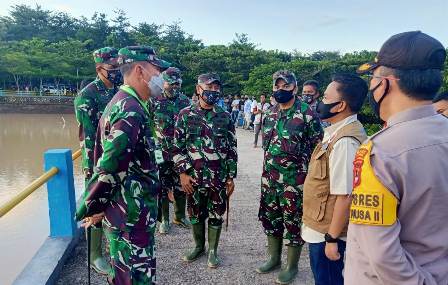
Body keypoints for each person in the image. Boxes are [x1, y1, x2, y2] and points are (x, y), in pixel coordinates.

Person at [346, 31, 448, 284]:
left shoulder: (381, 152)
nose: (371, 86)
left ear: (386, 83)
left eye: (373, 78)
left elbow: (382, 256)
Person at [76, 46, 170, 285]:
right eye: (157, 70)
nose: (161, 77)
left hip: (132, 212)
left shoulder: (129, 102)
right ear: (140, 70)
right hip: (129, 214)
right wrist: (93, 206)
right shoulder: (129, 109)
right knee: (132, 278)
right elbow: (109, 165)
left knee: (129, 275)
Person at [257, 70, 323, 284]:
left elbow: (318, 152)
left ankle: (291, 266)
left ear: (295, 88)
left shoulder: (307, 115)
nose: (281, 90)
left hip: (295, 182)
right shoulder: (269, 113)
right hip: (269, 180)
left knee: (293, 222)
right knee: (271, 219)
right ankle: (274, 258)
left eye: (286, 86)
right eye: (277, 86)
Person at [302, 73, 368, 285]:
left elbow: (346, 196)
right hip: (321, 228)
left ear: (340, 106)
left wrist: (331, 239)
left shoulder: (345, 141)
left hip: (328, 234)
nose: (321, 102)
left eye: (326, 98)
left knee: (327, 280)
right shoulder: (335, 132)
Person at [173, 73, 238, 269]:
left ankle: (213, 251)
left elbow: (232, 149)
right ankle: (199, 246)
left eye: (216, 88)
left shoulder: (225, 117)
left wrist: (230, 177)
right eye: (208, 87)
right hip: (193, 178)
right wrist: (183, 173)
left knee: (216, 214)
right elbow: (177, 148)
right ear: (198, 89)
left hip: (217, 178)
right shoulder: (185, 115)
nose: (212, 91)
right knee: (195, 214)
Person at [73, 47, 121, 275]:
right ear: (99, 68)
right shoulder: (88, 95)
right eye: (112, 68)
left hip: (117, 159)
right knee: (95, 206)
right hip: (97, 161)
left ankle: (114, 249)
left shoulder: (120, 91)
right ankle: (95, 255)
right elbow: (88, 138)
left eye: (118, 67)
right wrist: (94, 172)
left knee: (115, 206)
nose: (116, 71)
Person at [150, 67, 191, 234]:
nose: (174, 86)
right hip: (160, 151)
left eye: (177, 83)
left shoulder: (185, 101)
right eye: (171, 83)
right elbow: (147, 125)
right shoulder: (154, 100)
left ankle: (180, 216)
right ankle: (164, 219)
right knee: (162, 185)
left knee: (181, 184)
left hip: (180, 151)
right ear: (163, 83)